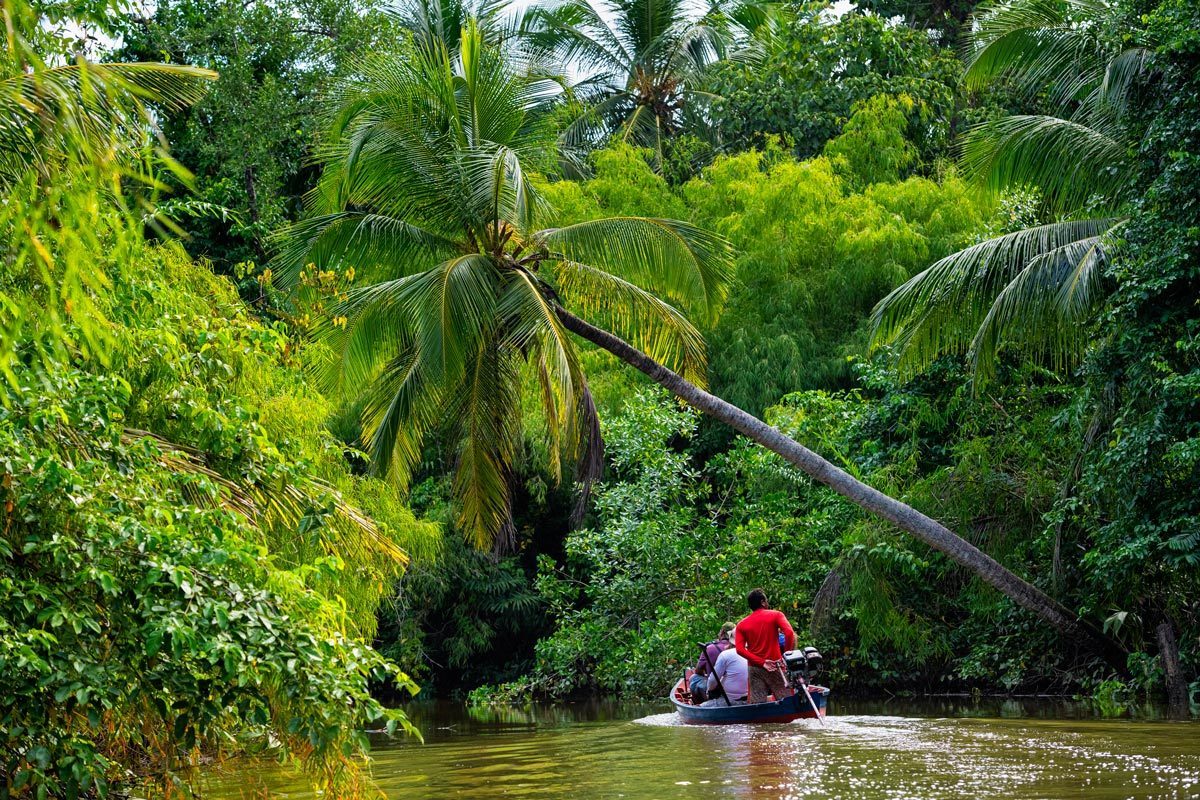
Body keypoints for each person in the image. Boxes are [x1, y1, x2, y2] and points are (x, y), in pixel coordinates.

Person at [735, 588, 796, 704]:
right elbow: (789, 633)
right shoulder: (776, 615)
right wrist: (785, 656)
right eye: (766, 600)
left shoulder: (741, 624)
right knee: (787, 701)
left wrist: (762, 662)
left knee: (757, 705)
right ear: (763, 602)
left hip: (755, 668)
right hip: (776, 664)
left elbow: (740, 650)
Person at [689, 622, 735, 702]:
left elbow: (698, 671)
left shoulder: (710, 648)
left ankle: (699, 704)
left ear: (722, 632)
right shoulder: (741, 648)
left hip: (718, 688)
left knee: (694, 677)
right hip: (736, 686)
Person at [704, 639, 748, 705]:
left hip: (730, 700)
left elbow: (713, 681)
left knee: (702, 706)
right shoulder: (753, 653)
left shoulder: (725, 654)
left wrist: (709, 691)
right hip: (752, 698)